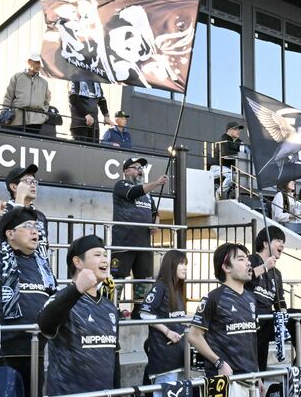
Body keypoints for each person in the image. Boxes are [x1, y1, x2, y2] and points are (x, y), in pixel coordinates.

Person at [0, 204, 57, 396]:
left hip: (35, 351)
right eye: (28, 226)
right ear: (10, 233)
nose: (35, 231)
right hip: (1, 354)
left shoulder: (43, 267)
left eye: (36, 227)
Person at [38, 235, 119, 395]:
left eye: (105, 255)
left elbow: (114, 356)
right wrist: (77, 289)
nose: (105, 260)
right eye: (97, 255)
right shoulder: (61, 299)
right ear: (78, 262)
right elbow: (44, 324)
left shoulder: (109, 307)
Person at [188, 243, 262, 394]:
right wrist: (219, 363)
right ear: (226, 267)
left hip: (251, 380)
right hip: (224, 381)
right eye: (241, 259)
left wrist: (258, 375)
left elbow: (251, 342)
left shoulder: (251, 299)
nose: (248, 263)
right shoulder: (213, 298)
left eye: (247, 259)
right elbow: (193, 336)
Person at [111, 157, 169, 318]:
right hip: (123, 243)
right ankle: (112, 308)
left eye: (141, 168)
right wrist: (157, 183)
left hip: (143, 244)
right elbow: (133, 192)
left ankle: (138, 310)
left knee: (143, 280)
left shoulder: (148, 195)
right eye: (136, 167)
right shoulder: (121, 185)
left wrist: (156, 223)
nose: (140, 170)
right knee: (118, 278)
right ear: (126, 171)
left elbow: (155, 213)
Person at [139, 250, 188, 394]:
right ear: (171, 265)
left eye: (186, 264)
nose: (185, 267)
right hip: (164, 357)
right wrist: (167, 331)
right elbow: (145, 313)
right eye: (181, 264)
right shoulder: (160, 286)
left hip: (178, 355)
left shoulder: (177, 289)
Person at [245, 227, 287, 371]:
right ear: (265, 243)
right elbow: (243, 277)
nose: (282, 245)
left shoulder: (277, 273)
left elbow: (280, 301)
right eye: (278, 241)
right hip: (250, 319)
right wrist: (264, 267)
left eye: (283, 242)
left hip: (268, 321)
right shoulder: (250, 260)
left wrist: (284, 316)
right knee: (254, 365)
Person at [3, 53, 49, 133]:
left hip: (36, 122)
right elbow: (8, 97)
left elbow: (46, 102)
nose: (38, 65)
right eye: (36, 62)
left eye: (40, 63)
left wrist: (43, 116)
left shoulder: (44, 83)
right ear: (29, 62)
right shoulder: (17, 77)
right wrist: (5, 112)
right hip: (17, 119)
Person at [210, 121, 244, 199]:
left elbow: (244, 152)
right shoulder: (224, 138)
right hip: (217, 167)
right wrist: (239, 152)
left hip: (227, 168)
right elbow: (225, 152)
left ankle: (236, 196)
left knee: (240, 176)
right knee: (232, 175)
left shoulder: (238, 141)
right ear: (229, 130)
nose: (238, 131)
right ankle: (219, 193)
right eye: (236, 129)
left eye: (239, 129)